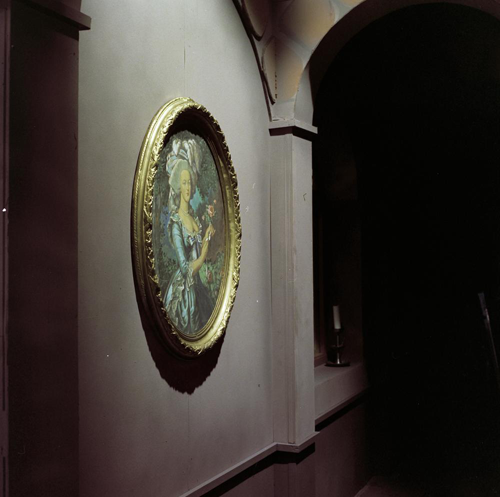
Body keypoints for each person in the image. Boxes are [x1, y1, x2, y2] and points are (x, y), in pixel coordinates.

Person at [163, 139, 215, 335]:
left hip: (197, 286)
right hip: (185, 292)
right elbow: (186, 269)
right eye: (183, 182)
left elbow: (200, 252)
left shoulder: (192, 217)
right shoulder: (176, 223)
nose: (187, 187)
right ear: (178, 185)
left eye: (189, 182)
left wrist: (207, 236)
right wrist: (204, 251)